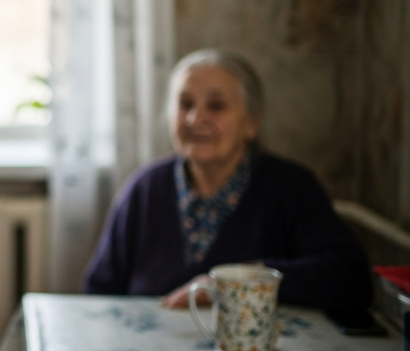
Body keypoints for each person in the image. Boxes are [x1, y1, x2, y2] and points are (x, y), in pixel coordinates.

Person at [83, 49, 373, 311]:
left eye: (216, 105)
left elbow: (350, 276)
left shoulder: (291, 188)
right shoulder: (143, 189)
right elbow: (97, 294)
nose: (195, 119)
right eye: (185, 104)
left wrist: (237, 283)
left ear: (252, 123)